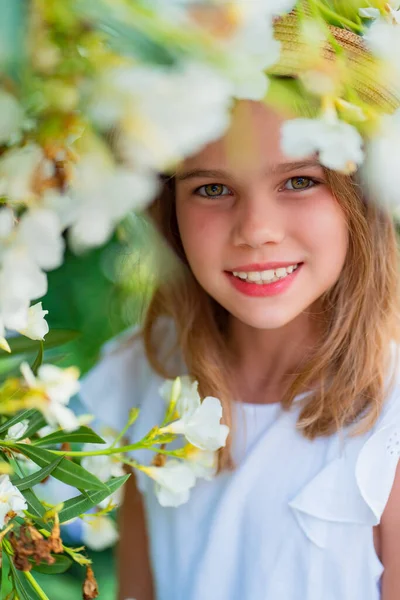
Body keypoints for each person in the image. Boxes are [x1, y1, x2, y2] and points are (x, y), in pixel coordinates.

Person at [79, 23, 400, 600]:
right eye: (210, 189)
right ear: (166, 208)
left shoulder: (389, 421)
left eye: (300, 180)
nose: (256, 231)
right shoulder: (146, 369)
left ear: (364, 198)